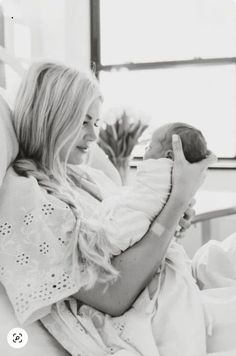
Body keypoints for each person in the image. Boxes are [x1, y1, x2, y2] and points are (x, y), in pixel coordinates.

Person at [0, 62, 216, 356]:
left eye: (96, 123)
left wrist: (171, 220)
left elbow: (136, 238)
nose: (94, 136)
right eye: (83, 122)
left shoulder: (89, 177)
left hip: (170, 295)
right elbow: (113, 295)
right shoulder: (29, 198)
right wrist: (176, 203)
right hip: (143, 317)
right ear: (52, 119)